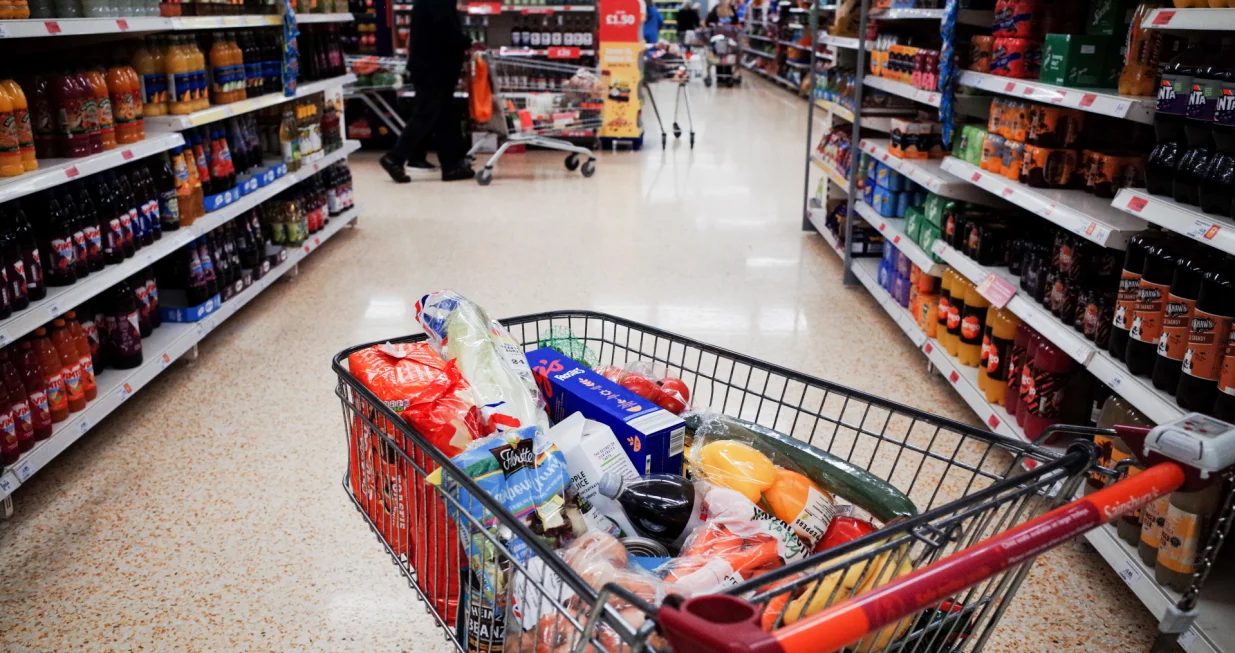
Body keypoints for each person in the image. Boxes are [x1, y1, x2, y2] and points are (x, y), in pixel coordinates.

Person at [379, 0, 476, 183]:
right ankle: (395, 157)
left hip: (433, 66)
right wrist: (469, 43)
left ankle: (451, 166)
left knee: (444, 115)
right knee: (427, 113)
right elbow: (445, 30)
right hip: (433, 67)